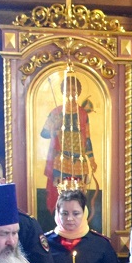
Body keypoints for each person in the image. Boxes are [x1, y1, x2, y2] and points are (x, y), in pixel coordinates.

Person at [40, 76, 97, 220]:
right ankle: (59, 221)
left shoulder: (82, 113)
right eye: (67, 90)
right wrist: (54, 129)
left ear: (78, 92)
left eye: (73, 90)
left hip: (79, 161)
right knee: (59, 194)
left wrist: (91, 160)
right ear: (63, 92)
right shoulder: (57, 112)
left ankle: (79, 221)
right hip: (61, 159)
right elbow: (44, 133)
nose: (71, 93)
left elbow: (87, 139)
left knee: (79, 195)